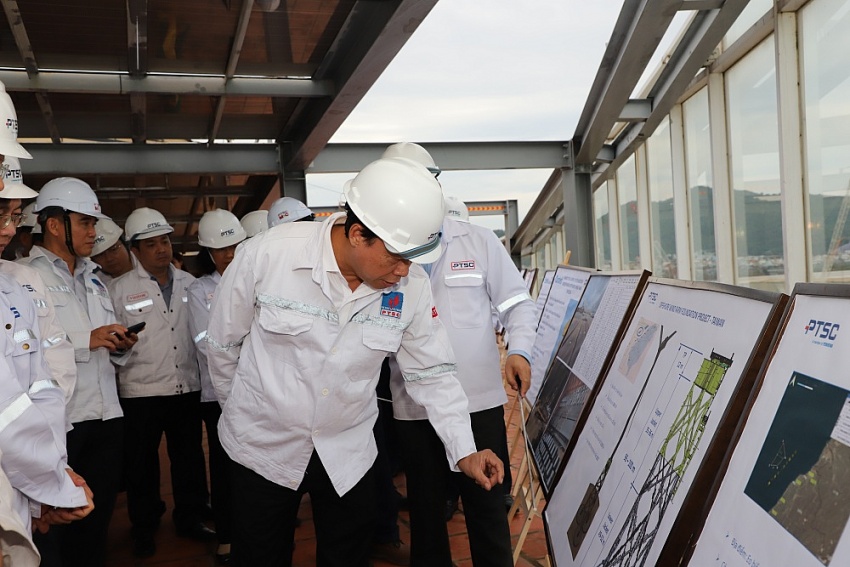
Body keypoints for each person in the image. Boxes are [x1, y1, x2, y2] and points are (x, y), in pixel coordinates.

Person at [205, 156, 503, 567]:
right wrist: (245, 413)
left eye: (413, 259)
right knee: (260, 555)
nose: (404, 272)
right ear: (359, 234)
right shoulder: (267, 256)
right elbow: (222, 347)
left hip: (347, 453)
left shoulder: (411, 287)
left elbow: (433, 374)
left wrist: (464, 450)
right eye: (397, 257)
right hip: (263, 451)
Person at [388, 145, 536, 567]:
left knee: (487, 507)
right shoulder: (386, 247)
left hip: (478, 402)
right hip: (415, 407)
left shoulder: (478, 241)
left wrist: (520, 351)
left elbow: (518, 304)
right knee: (427, 513)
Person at [20, 177, 139, 567]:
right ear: (54, 225)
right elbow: (23, 350)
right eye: (85, 222)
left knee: (95, 523)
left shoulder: (95, 279)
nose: (94, 232)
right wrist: (86, 340)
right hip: (62, 422)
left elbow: (100, 345)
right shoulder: (24, 277)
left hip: (106, 416)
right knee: (53, 527)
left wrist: (118, 344)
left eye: (94, 223)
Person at [108, 207, 214, 558]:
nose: (161, 249)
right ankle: (144, 525)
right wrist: (121, 345)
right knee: (141, 464)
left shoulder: (190, 284)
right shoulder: (118, 290)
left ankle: (191, 517)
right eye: (151, 244)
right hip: (141, 390)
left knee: (189, 458)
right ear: (135, 250)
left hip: (185, 385)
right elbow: (111, 342)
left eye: (165, 241)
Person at [0, 174, 95, 550]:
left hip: (34, 459)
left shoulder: (16, 283)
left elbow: (44, 376)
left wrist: (55, 473)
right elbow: (8, 409)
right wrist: (53, 481)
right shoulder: (29, 276)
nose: (9, 230)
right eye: (0, 215)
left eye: (14, 216)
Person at [187, 209, 246, 565]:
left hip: (257, 392)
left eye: (234, 246)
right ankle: (227, 536)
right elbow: (204, 341)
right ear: (208, 253)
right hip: (219, 395)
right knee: (225, 469)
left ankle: (255, 531)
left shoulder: (257, 279)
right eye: (221, 249)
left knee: (255, 467)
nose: (229, 254)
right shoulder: (200, 291)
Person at [90, 218, 134, 283]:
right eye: (100, 255)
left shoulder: (147, 265)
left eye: (114, 249)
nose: (109, 259)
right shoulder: (94, 283)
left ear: (125, 244)